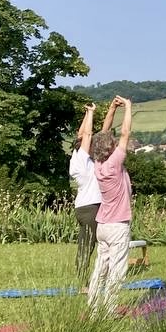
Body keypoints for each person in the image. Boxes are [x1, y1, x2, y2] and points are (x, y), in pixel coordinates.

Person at [85, 95, 133, 313]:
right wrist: (129, 107)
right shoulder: (114, 162)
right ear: (111, 149)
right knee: (117, 268)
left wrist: (112, 109)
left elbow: (103, 136)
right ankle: (110, 308)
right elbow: (124, 133)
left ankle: (94, 306)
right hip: (117, 225)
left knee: (100, 267)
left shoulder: (98, 163)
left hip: (102, 225)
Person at [68, 103, 102, 282]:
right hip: (91, 209)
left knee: (84, 244)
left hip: (83, 208)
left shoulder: (76, 158)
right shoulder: (82, 159)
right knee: (87, 246)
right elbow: (86, 135)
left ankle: (85, 278)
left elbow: (81, 135)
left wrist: (86, 114)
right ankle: (84, 282)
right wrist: (90, 113)